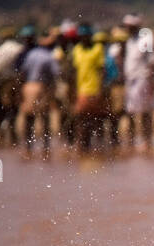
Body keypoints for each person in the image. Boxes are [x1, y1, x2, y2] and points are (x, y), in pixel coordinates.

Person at [19, 28, 58, 158]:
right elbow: (56, 73)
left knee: (29, 117)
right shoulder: (49, 56)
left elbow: (23, 71)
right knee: (44, 117)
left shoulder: (31, 54)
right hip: (42, 87)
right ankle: (45, 147)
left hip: (29, 86)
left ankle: (28, 147)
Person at [70, 25, 106, 153]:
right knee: (81, 120)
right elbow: (74, 72)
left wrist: (101, 90)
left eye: (85, 36)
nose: (83, 38)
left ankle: (99, 149)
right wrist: (73, 91)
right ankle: (83, 148)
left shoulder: (98, 49)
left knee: (97, 120)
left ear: (90, 36)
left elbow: (102, 70)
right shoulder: (77, 50)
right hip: (81, 91)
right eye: (81, 36)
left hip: (95, 90)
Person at [122, 14, 154, 149]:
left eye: (130, 26)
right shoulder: (129, 41)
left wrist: (152, 79)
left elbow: (152, 61)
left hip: (143, 78)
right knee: (130, 111)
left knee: (145, 110)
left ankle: (147, 140)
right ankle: (131, 140)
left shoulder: (145, 40)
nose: (128, 29)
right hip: (130, 79)